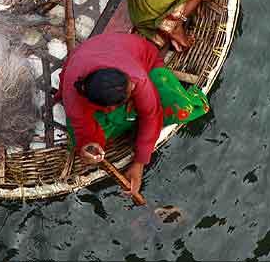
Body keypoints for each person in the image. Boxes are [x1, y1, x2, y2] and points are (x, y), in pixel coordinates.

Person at [56, 33, 211, 202]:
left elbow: (152, 115)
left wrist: (139, 163)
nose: (134, 87)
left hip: (146, 65)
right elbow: (85, 135)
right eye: (131, 93)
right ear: (110, 107)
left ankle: (136, 118)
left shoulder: (135, 78)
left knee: (180, 108)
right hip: (88, 70)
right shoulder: (74, 101)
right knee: (78, 138)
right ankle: (132, 119)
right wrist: (90, 147)